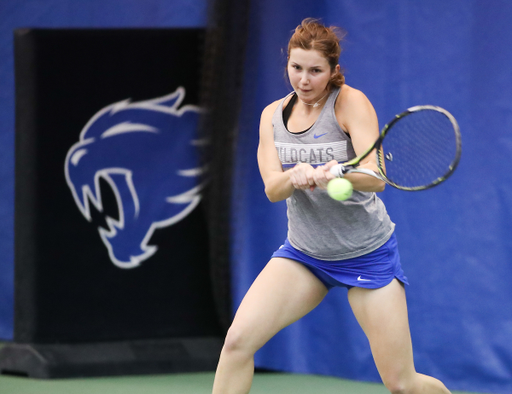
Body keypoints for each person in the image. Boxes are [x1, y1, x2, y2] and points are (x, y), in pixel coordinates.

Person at [212, 18, 451, 394]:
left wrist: (337, 171)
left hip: (366, 255)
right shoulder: (272, 117)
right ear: (287, 64)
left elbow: (377, 178)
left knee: (402, 384)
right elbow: (273, 189)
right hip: (304, 254)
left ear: (333, 71)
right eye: (296, 68)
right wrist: (295, 176)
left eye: (315, 71)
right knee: (237, 342)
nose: (304, 80)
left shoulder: (351, 103)